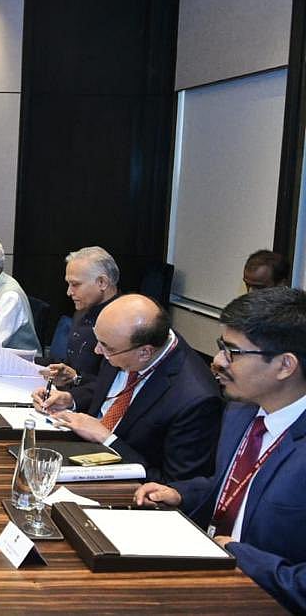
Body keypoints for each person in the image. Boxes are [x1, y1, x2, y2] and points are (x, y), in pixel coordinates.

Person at [134, 287, 306, 612]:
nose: (217, 361)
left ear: (285, 365)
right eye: (221, 347)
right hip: (208, 575)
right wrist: (182, 495)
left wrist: (242, 556)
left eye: (233, 352)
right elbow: (238, 488)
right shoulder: (240, 412)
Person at [34, 294, 223, 483]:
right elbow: (110, 391)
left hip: (123, 480)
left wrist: (106, 438)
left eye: (106, 348)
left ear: (145, 352)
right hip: (78, 447)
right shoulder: (122, 341)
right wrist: (72, 400)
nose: (97, 350)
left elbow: (174, 484)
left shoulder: (196, 399)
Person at [40, 246, 120, 389]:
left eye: (75, 284)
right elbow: (71, 365)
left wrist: (75, 380)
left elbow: (113, 386)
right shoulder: (83, 309)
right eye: (68, 284)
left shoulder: (122, 323)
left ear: (102, 282)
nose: (69, 292)